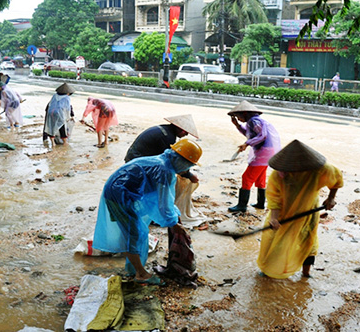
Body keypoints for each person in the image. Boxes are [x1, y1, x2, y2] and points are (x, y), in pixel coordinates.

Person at [92, 139, 202, 285]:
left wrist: (188, 174)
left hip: (123, 190)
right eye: (188, 165)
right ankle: (140, 274)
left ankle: (134, 267)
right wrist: (174, 224)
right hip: (119, 194)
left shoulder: (165, 160)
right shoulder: (164, 171)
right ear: (180, 160)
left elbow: (165, 199)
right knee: (133, 233)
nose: (187, 168)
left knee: (134, 229)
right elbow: (164, 204)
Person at [257, 140, 343, 279]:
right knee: (274, 240)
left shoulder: (321, 170)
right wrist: (274, 218)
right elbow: (274, 198)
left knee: (307, 241)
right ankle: (269, 270)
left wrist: (331, 198)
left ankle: (306, 273)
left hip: (309, 211)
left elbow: (336, 180)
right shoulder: (278, 174)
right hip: (283, 212)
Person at [124, 115, 204, 226]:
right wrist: (189, 175)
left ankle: (141, 212)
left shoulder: (165, 130)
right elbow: (171, 162)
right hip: (137, 162)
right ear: (181, 129)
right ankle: (148, 214)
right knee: (152, 190)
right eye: (186, 133)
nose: (185, 135)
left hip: (135, 159)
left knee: (145, 189)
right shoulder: (167, 137)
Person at [227, 101, 281, 213]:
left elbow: (262, 135)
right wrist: (237, 125)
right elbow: (249, 134)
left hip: (263, 152)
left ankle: (242, 206)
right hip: (268, 152)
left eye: (239, 117)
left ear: (245, 113)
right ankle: (260, 203)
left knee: (247, 177)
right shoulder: (256, 121)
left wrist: (246, 144)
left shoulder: (253, 121)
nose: (239, 119)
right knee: (260, 178)